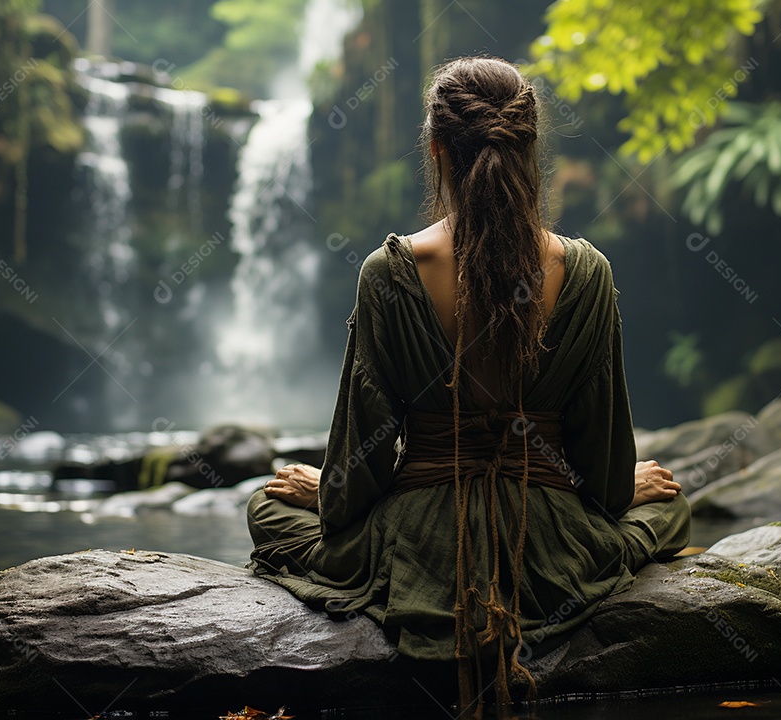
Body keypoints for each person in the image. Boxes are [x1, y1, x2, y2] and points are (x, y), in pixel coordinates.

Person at [246, 56, 691, 710]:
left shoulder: (388, 273)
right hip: (550, 547)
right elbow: (600, 475)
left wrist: (329, 489)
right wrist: (625, 487)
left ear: (436, 152)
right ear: (531, 151)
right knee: (671, 501)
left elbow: (363, 461)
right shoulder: (588, 271)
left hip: (422, 545)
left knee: (267, 507)